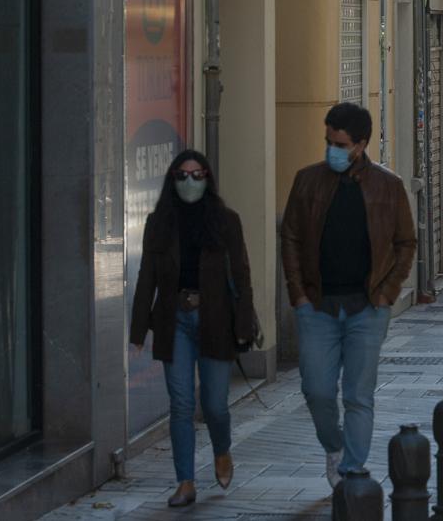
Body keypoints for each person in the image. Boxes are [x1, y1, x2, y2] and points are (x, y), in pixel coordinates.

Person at [282, 102, 417, 489]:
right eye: (328, 142)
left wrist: (386, 294)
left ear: (360, 144)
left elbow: (406, 242)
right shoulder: (307, 181)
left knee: (359, 394)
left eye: (339, 144)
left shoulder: (387, 186)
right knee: (317, 389)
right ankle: (334, 446)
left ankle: (352, 470)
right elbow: (290, 236)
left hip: (367, 309)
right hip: (317, 307)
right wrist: (298, 296)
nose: (332, 151)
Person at [129, 150, 255, 507]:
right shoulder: (159, 222)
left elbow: (242, 277)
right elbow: (146, 278)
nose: (190, 182)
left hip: (215, 319)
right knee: (181, 404)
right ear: (172, 180)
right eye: (183, 175)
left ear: (208, 179)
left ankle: (222, 451)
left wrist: (243, 324)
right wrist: (138, 331)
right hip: (175, 320)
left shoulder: (226, 220)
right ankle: (185, 481)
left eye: (198, 175)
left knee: (215, 405)